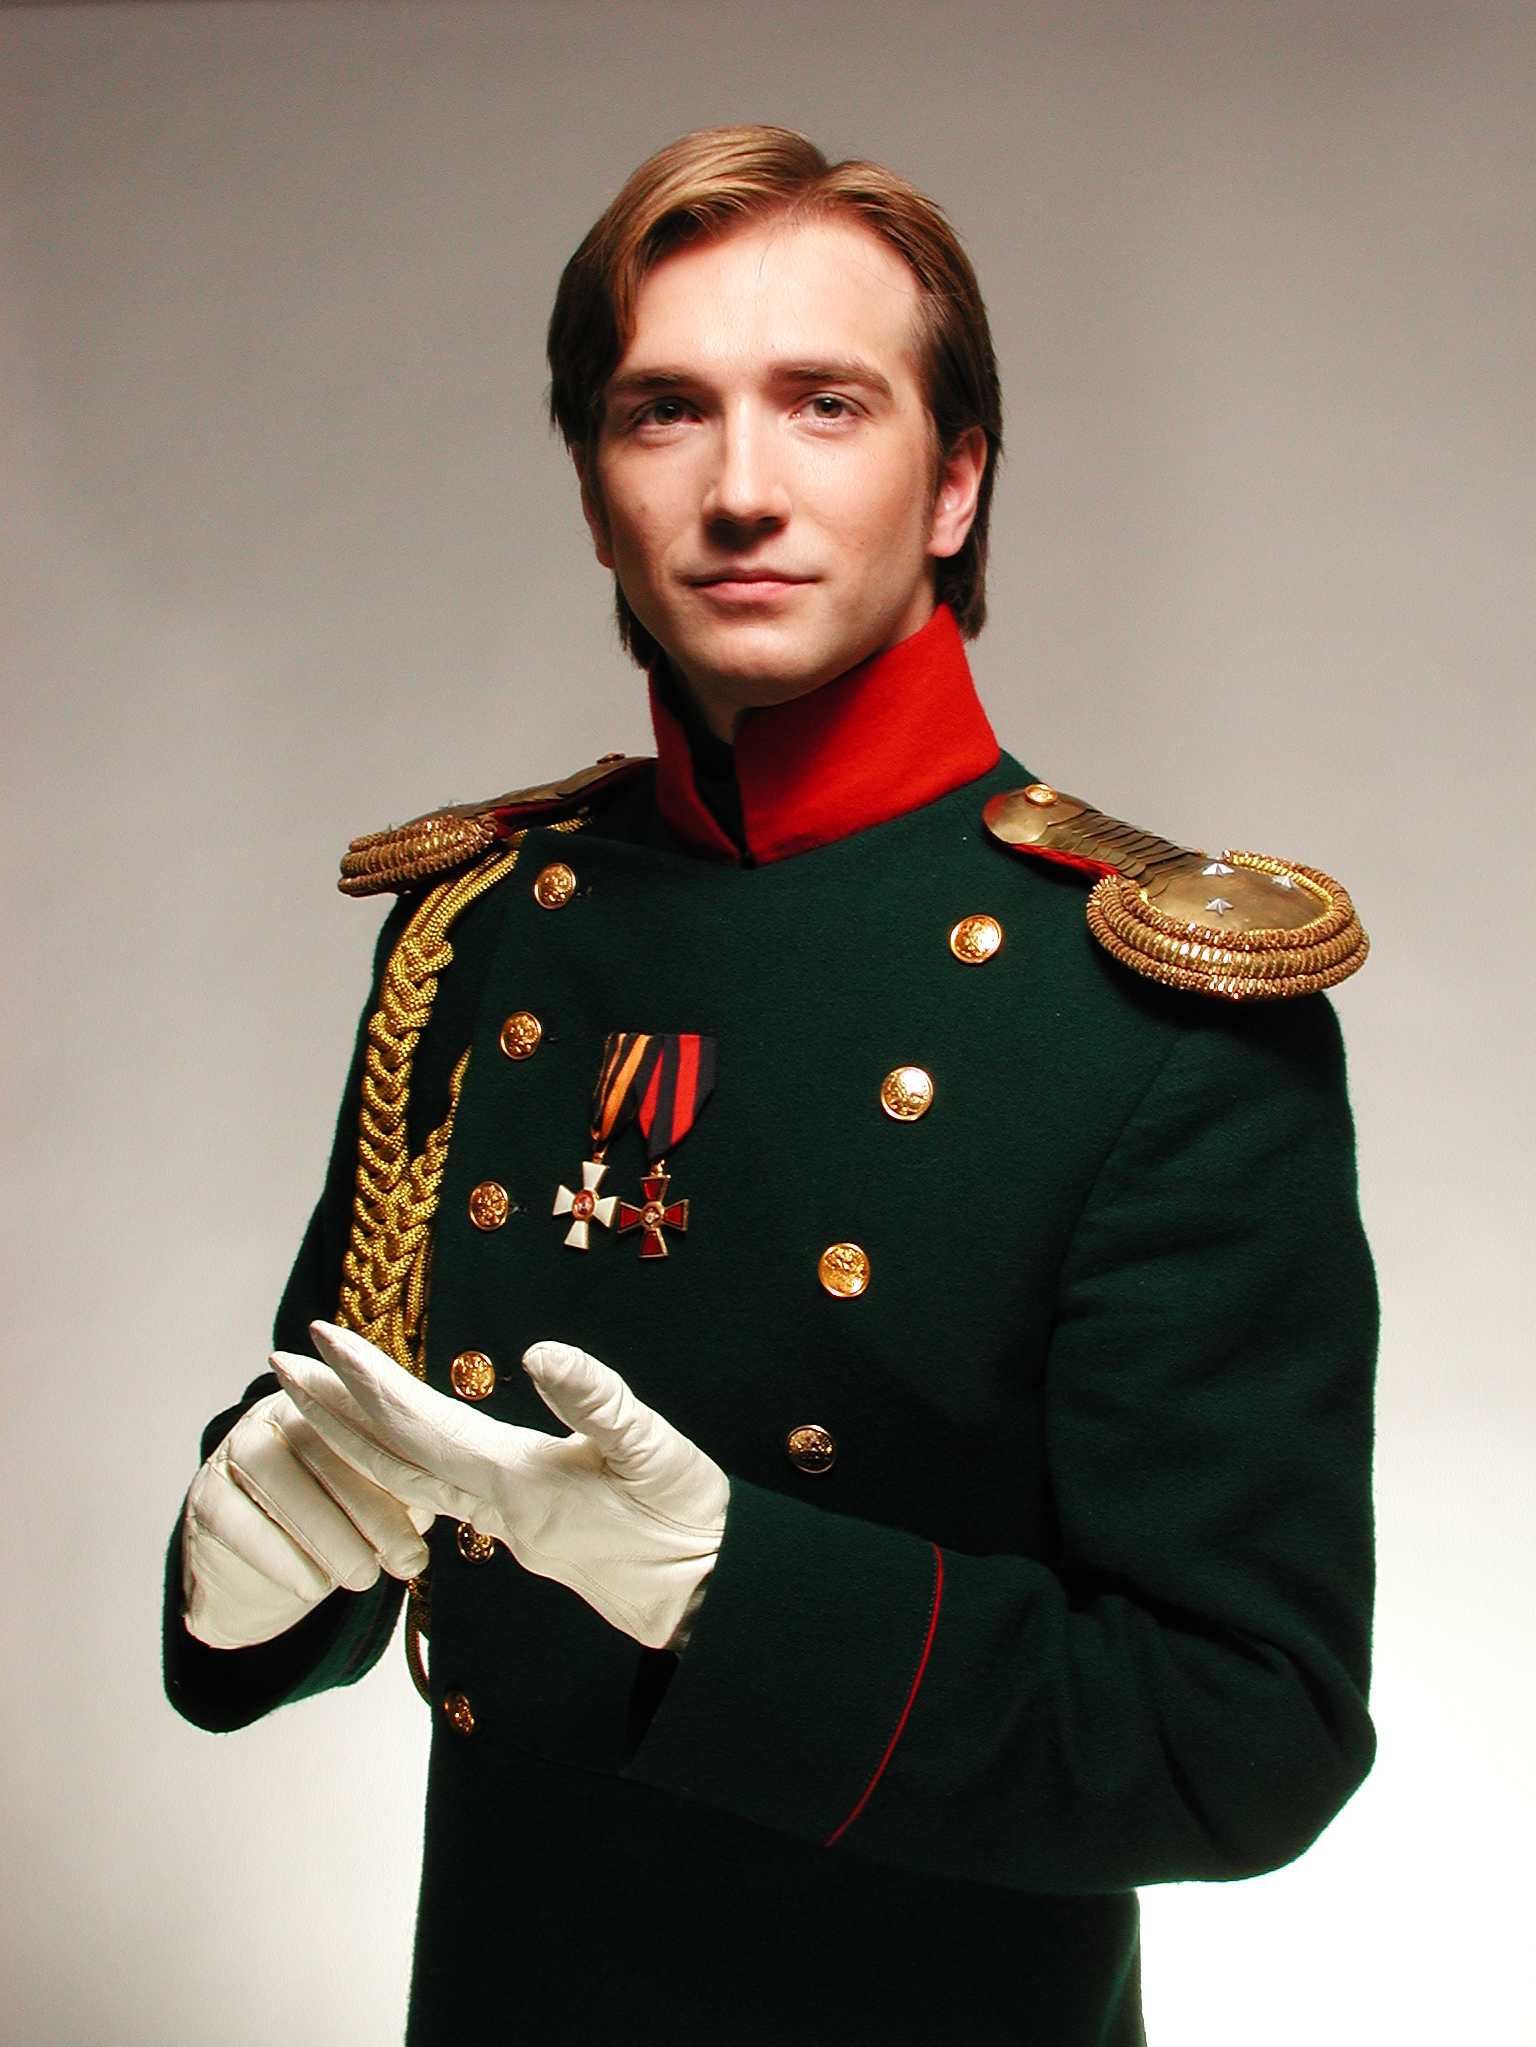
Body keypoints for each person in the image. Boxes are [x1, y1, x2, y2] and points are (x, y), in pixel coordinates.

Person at [164, 127, 1377, 2046]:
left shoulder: (1152, 1007)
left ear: (956, 479)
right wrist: (246, 1577)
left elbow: (1248, 1731)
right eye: (666, 411)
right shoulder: (483, 932)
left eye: (826, 403)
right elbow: (356, 1446)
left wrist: (731, 1589)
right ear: (595, 493)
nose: (741, 489)